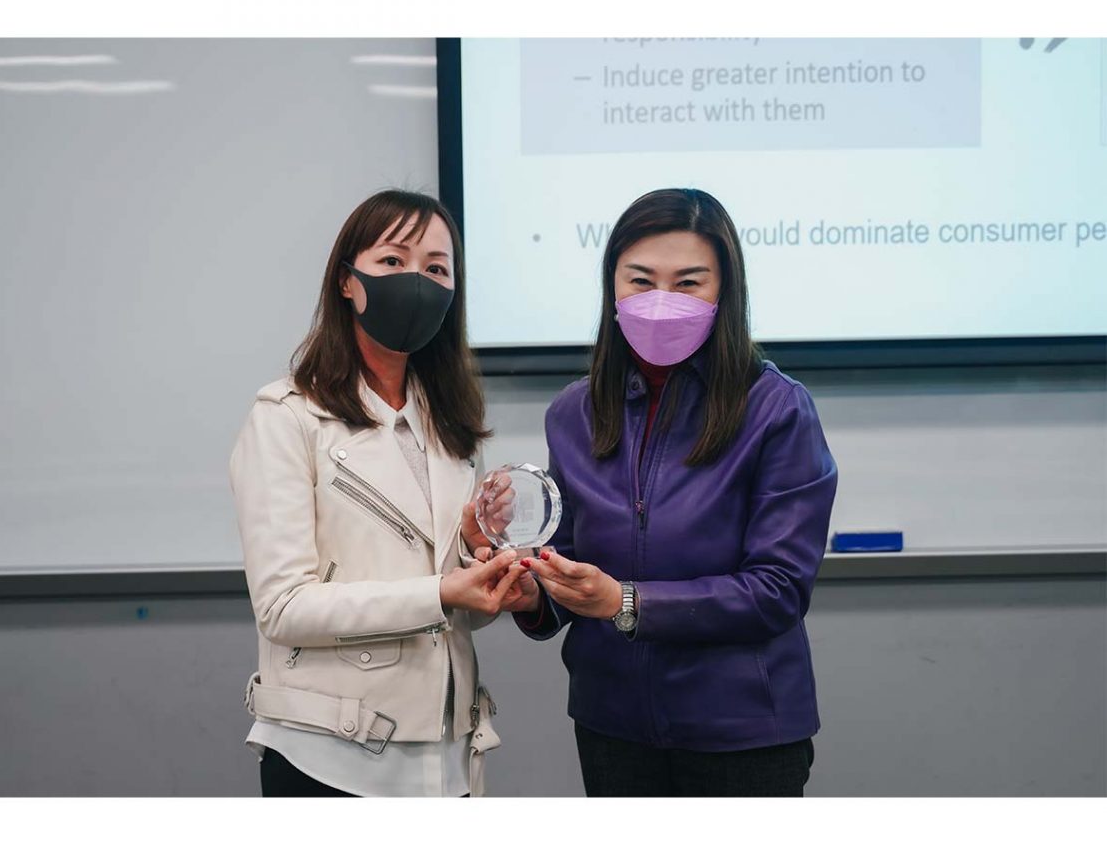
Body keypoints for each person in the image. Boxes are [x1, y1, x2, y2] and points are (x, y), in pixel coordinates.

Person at [498, 187, 838, 797]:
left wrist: (628, 602)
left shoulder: (777, 410)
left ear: (723, 293)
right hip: (613, 726)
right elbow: (565, 567)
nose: (661, 301)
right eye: (640, 280)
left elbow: (779, 590)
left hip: (744, 733)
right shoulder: (573, 412)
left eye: (688, 283)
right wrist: (531, 592)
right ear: (612, 288)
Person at [229, 189, 523, 797]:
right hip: (330, 761)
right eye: (393, 261)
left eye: (437, 269)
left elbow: (454, 613)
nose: (417, 281)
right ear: (347, 281)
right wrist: (443, 589)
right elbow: (283, 609)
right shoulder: (286, 416)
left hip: (448, 763)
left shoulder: (450, 425)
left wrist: (474, 556)